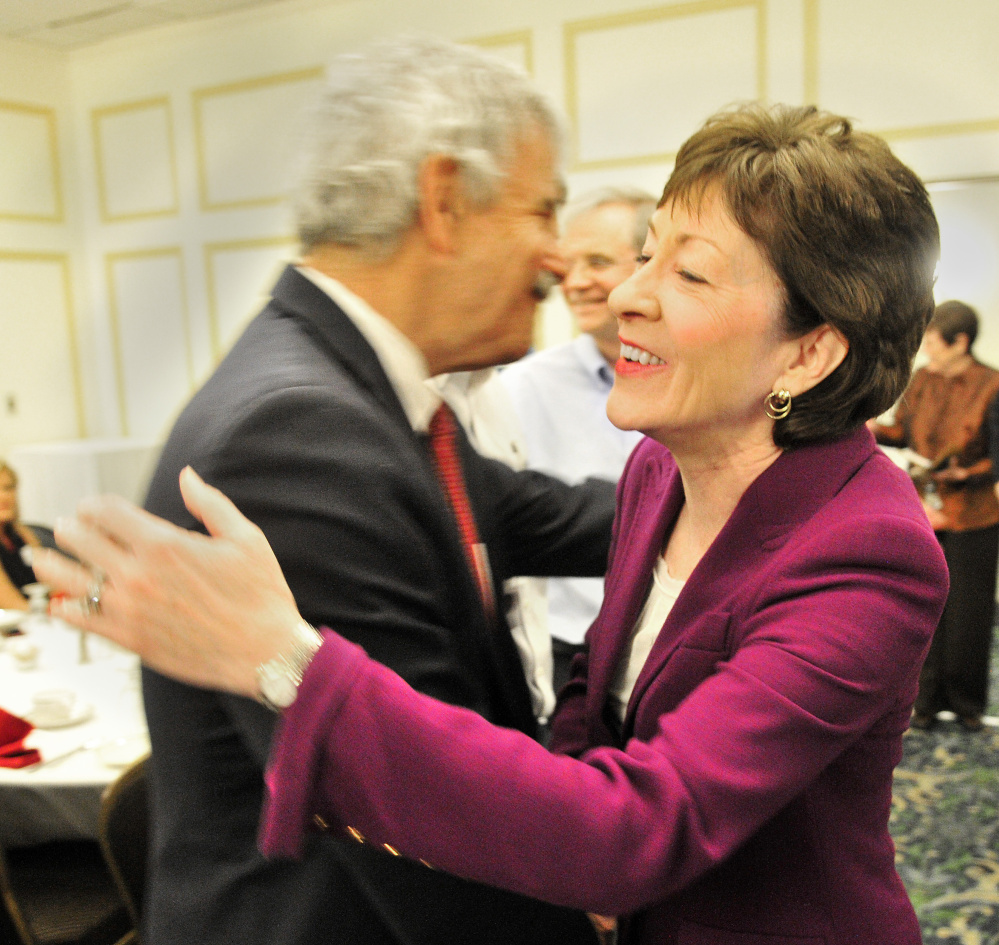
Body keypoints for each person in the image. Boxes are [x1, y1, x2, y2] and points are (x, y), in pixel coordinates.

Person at [37, 102, 948, 945]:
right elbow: (600, 692)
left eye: (690, 271)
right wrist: (553, 837)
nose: (625, 294)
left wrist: (286, 664)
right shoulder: (657, 467)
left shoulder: (867, 551)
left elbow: (643, 826)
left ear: (808, 351)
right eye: (647, 252)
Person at [56, 37, 618, 945]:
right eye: (543, 211)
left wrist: (744, 476)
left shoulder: (365, 401)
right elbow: (417, 834)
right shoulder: (297, 435)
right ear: (442, 201)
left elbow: (555, 515)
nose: (558, 259)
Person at [499, 187, 653, 691]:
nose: (577, 282)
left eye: (599, 262)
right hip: (572, 655)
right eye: (570, 264)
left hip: (672, 639)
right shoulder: (521, 387)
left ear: (651, 265)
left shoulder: (700, 379)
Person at [872, 300, 999, 732]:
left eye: (932, 341)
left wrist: (961, 475)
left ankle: (966, 704)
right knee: (923, 610)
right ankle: (923, 703)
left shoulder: (993, 385)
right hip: (922, 508)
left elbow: (996, 461)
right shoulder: (923, 379)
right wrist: (868, 426)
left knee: (968, 616)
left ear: (960, 342)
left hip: (972, 517)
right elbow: (903, 431)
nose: (925, 350)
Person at [0, 461, 40, 610]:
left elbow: (53, 583)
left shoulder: (23, 534)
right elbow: (11, 604)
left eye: (8, 488)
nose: (4, 496)